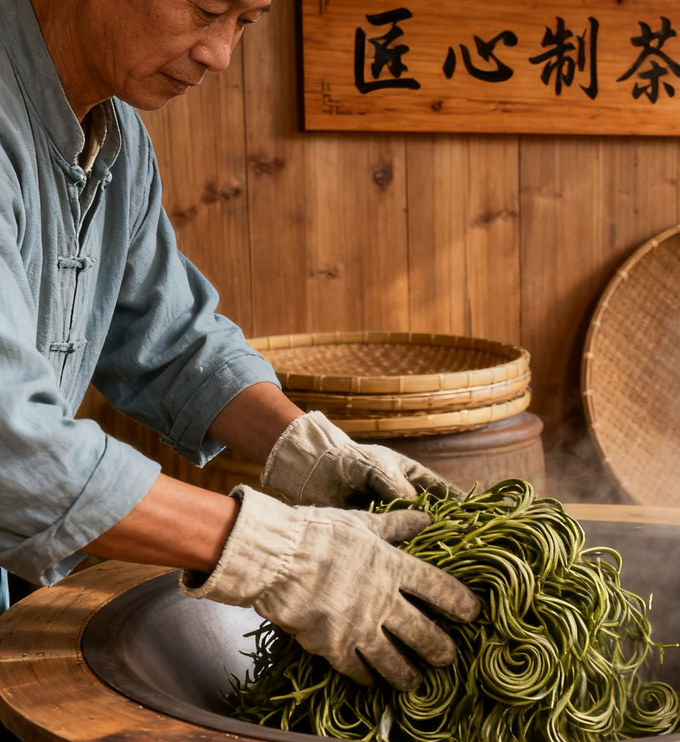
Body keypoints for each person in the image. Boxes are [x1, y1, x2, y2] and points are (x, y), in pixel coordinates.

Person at [0, 0, 480, 693]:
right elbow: (14, 448)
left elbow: (170, 338)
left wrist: (311, 450)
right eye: (206, 9)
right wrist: (281, 556)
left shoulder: (117, 137)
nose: (220, 54)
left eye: (245, 22)